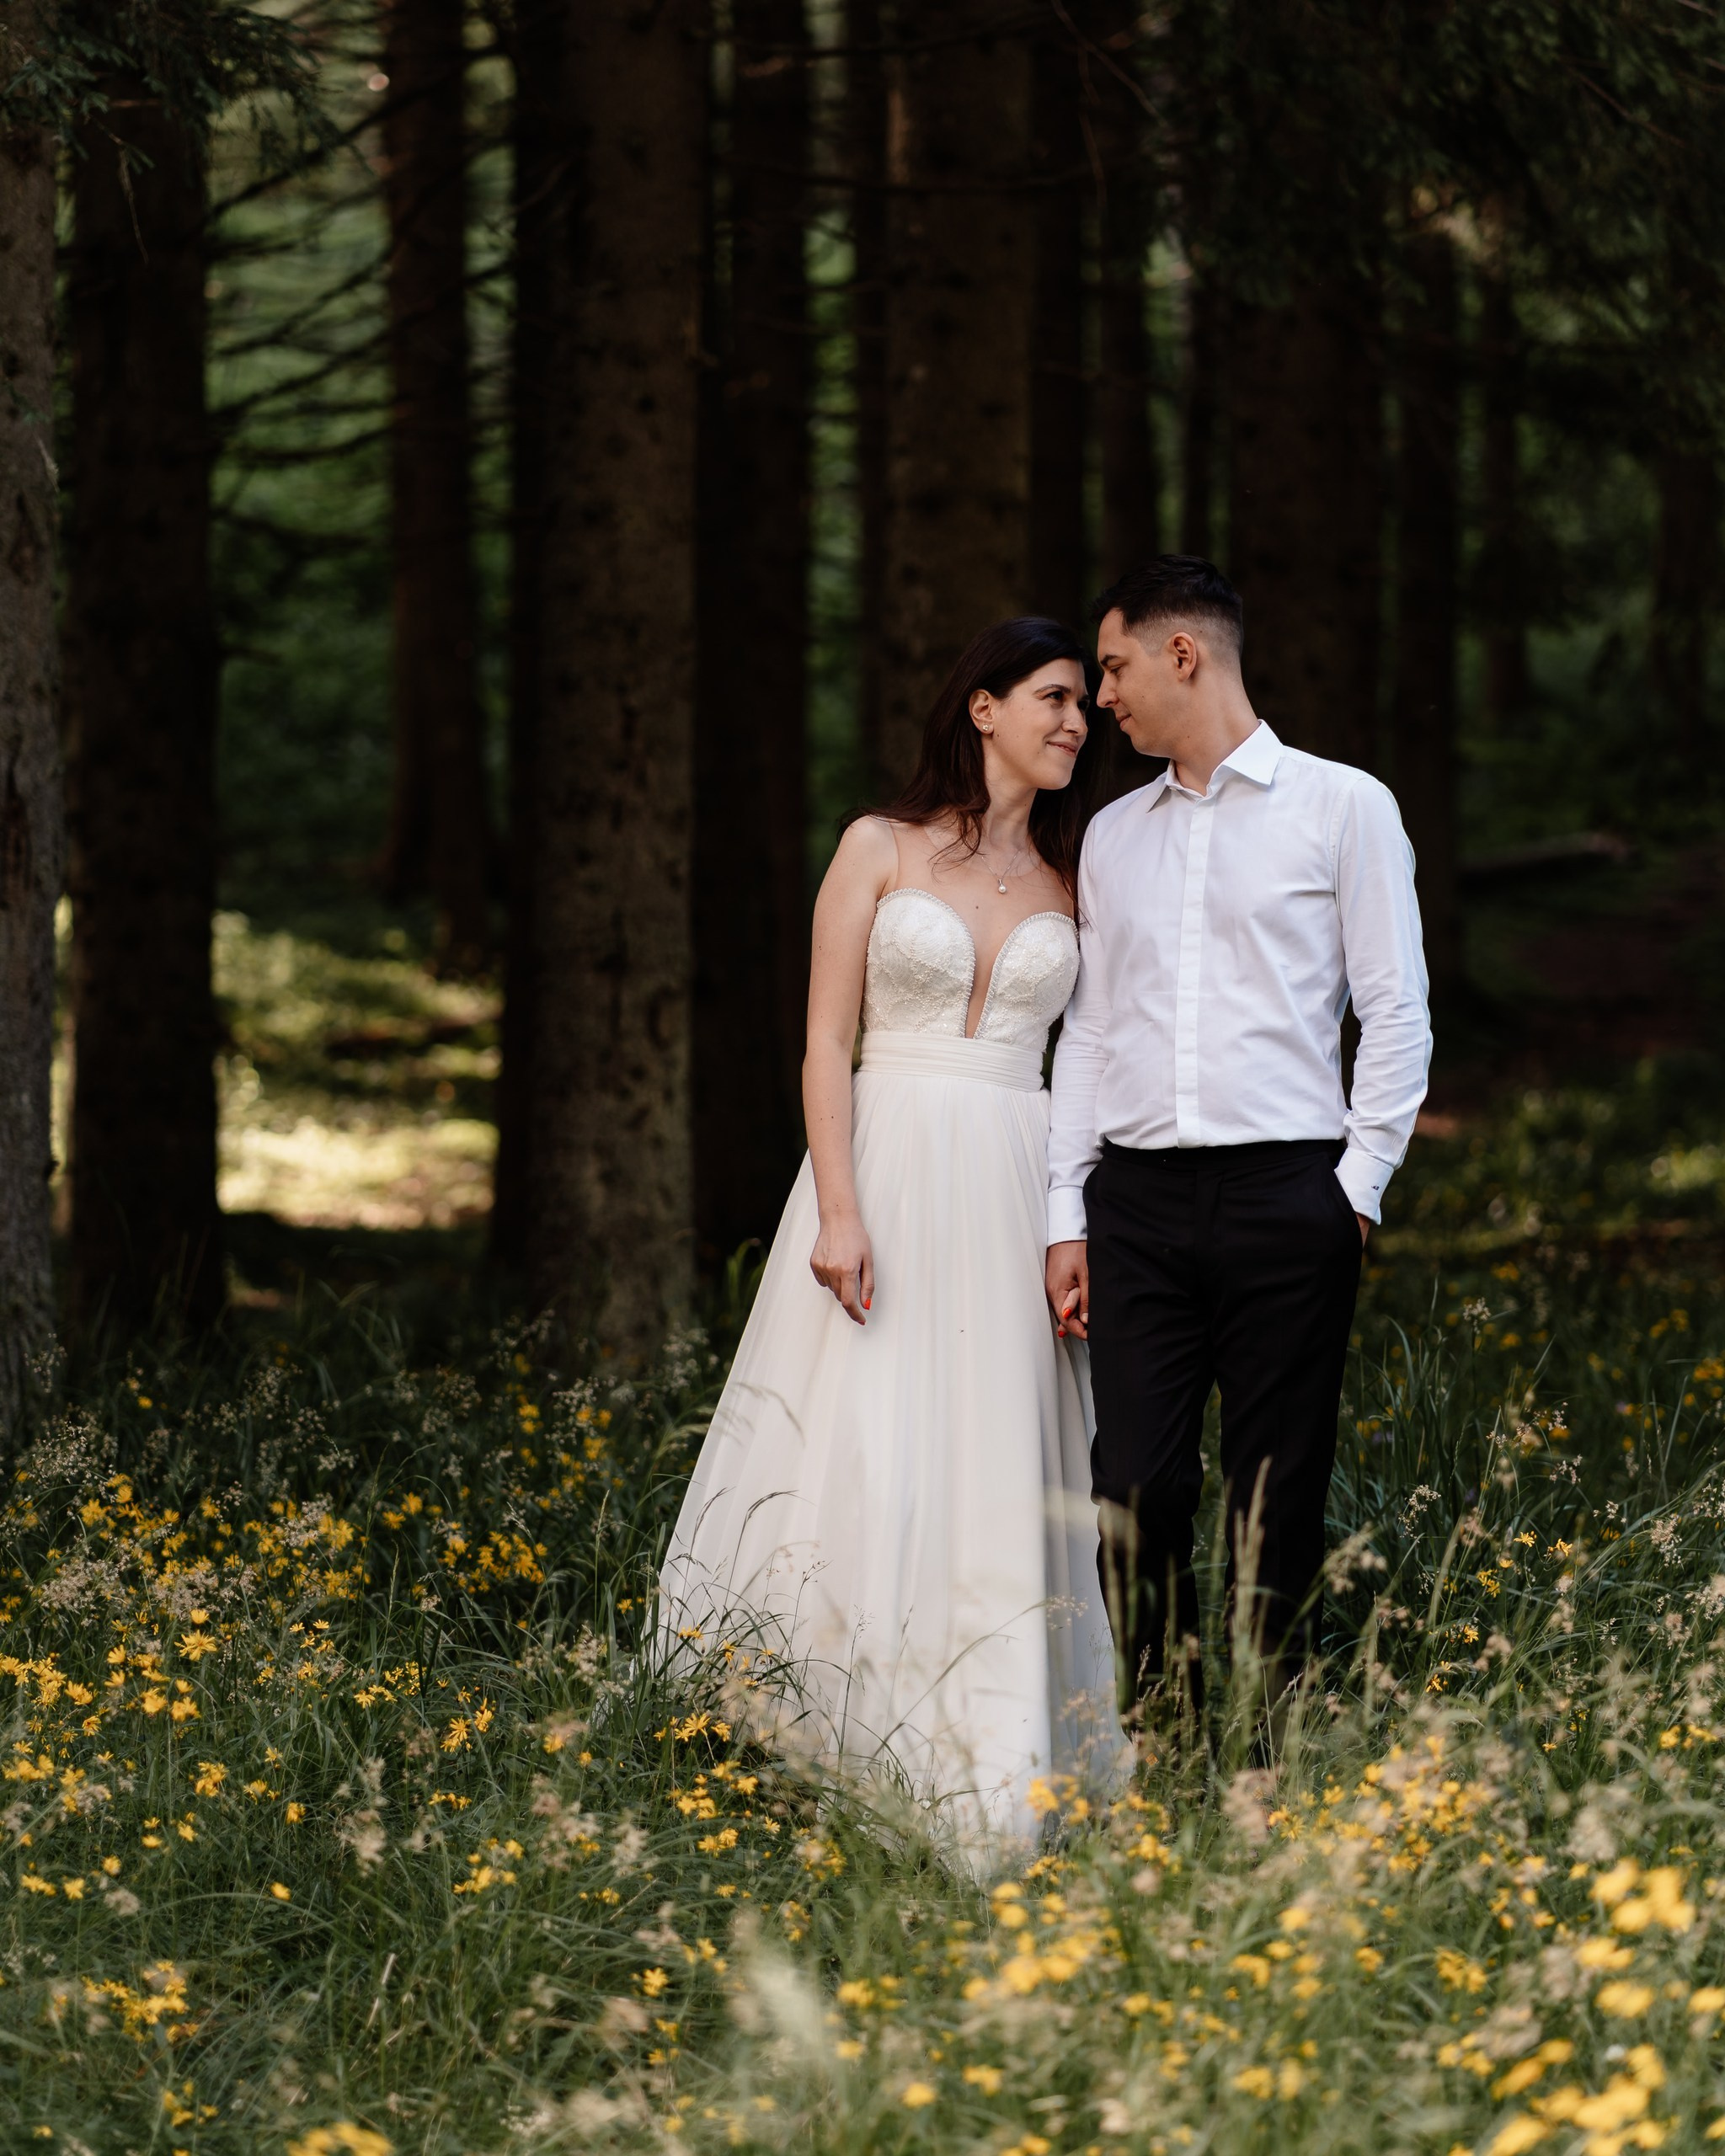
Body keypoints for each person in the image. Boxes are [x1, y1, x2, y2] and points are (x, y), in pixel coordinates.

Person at [660, 617, 1119, 1859]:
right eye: (1054, 698)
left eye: (1084, 704)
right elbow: (823, 1041)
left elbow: (1090, 1067)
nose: (1076, 723)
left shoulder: (1084, 878)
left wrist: (1073, 1218)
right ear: (981, 708)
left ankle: (999, 1743)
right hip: (888, 1158)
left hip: (1019, 1176)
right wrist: (841, 1203)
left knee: (998, 1442)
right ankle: (810, 1731)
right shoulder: (879, 845)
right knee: (860, 1426)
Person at [1045, 556, 1431, 1725]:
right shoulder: (1112, 835)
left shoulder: (1345, 806)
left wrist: (1354, 1189)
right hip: (1140, 1209)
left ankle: (1272, 1751)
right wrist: (1068, 1213)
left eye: (1111, 668)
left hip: (1288, 1199)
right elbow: (1094, 1030)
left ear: (1182, 655)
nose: (1099, 697)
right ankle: (1160, 1735)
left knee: (1278, 1493)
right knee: (1133, 1484)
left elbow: (1397, 1008)